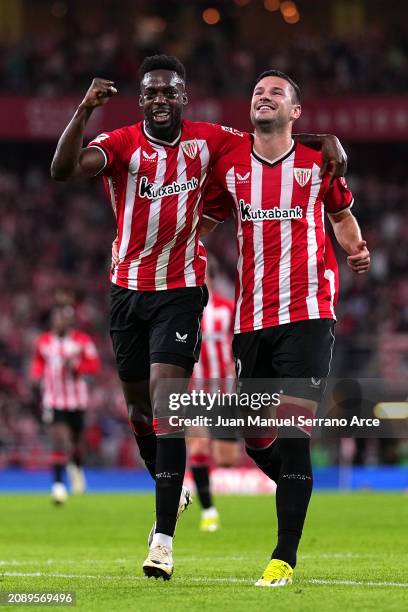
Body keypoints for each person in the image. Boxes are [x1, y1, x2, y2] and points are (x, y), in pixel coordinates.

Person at [51, 53, 346, 580]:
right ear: (140, 100)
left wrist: (328, 141)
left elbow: (276, 134)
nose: (161, 100)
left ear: (183, 97)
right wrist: (84, 110)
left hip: (184, 290)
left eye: (170, 92)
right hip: (127, 290)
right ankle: (180, 491)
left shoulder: (213, 139)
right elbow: (63, 169)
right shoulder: (120, 144)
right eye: (151, 93)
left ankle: (162, 538)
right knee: (142, 412)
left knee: (168, 405)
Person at [201, 70, 370, 587]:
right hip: (252, 318)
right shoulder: (229, 163)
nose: (263, 96)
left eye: (276, 92)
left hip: (309, 313)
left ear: (296, 111)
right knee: (255, 437)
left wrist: (355, 247)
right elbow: (208, 220)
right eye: (257, 90)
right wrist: (178, 247)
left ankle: (284, 556)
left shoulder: (319, 163)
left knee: (294, 429)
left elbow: (340, 214)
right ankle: (297, 486)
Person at [31, 303, 100, 504]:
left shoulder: (82, 341)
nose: (60, 321)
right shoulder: (43, 341)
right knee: (59, 440)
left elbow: (93, 365)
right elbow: (38, 362)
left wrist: (77, 366)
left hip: (77, 400)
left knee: (77, 443)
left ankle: (76, 467)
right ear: (53, 320)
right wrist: (35, 376)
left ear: (70, 321)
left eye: (64, 318)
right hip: (53, 400)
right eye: (57, 317)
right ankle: (58, 486)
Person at [188, 258, 239, 532]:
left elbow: (240, 342)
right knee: (197, 448)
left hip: (225, 391)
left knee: (226, 459)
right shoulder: (185, 310)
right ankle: (208, 511)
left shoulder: (227, 309)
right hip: (195, 391)